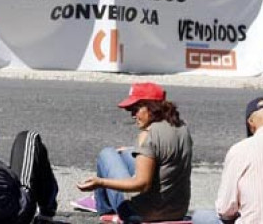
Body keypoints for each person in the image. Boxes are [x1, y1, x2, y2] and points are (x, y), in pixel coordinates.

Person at [75, 82, 192, 223]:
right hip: (177, 210)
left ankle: (106, 209)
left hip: (141, 213)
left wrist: (100, 183)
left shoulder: (148, 135)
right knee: (125, 154)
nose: (132, 115)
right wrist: (132, 150)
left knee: (106, 154)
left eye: (135, 109)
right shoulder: (182, 126)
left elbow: (142, 184)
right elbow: (162, 154)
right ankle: (107, 203)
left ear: (151, 107)